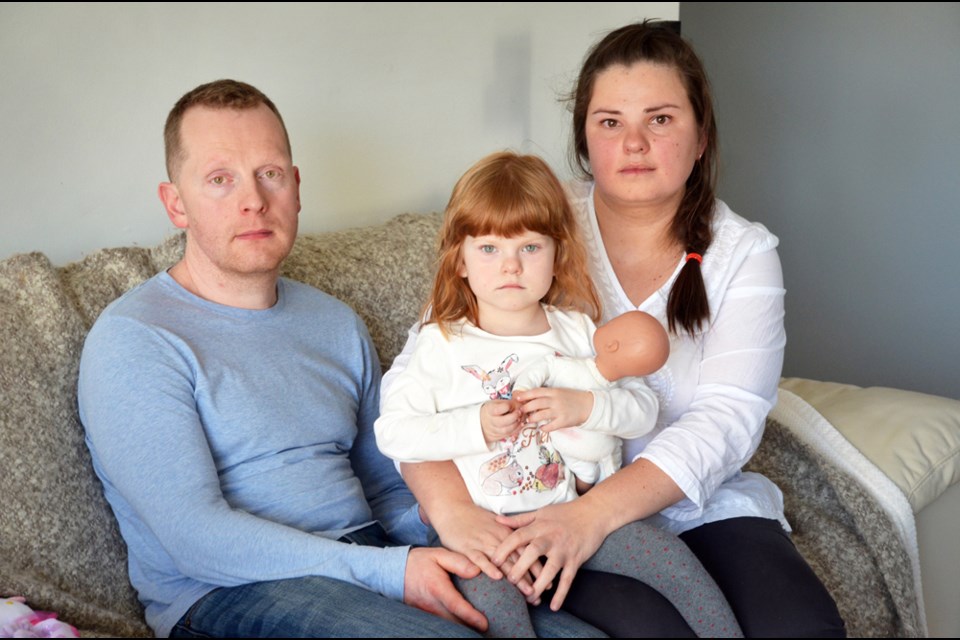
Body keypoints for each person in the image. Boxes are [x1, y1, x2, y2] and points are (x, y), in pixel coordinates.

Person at [76, 80, 604, 639]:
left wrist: (468, 524)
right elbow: (195, 539)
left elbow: (388, 484)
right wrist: (390, 571)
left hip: (369, 557)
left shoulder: (333, 323)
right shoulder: (136, 338)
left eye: (270, 173)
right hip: (227, 594)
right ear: (175, 202)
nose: (253, 199)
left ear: (296, 187)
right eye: (220, 179)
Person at [387, 21, 847, 638]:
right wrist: (454, 512)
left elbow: (727, 419)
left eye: (660, 119)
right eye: (610, 122)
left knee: (802, 630)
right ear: (584, 137)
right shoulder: (537, 227)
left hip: (688, 500)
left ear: (701, 135)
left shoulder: (743, 253)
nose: (633, 143)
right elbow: (420, 377)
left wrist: (592, 516)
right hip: (542, 497)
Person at [376, 151, 742, 638]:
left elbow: (643, 410)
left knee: (669, 557)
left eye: (529, 248)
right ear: (459, 260)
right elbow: (394, 433)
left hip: (569, 518)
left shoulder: (574, 331)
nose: (510, 265)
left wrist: (584, 406)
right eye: (489, 249)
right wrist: (475, 426)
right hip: (485, 532)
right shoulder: (440, 341)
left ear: (557, 253)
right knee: (494, 607)